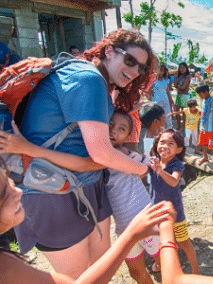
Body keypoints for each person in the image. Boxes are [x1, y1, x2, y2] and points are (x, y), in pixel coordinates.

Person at [12, 29, 157, 279]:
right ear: (108, 51)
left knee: (100, 267)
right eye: (130, 61)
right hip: (53, 190)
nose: (134, 72)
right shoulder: (88, 79)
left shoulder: (92, 77)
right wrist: (145, 169)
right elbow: (102, 153)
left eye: (141, 69)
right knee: (78, 276)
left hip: (83, 184)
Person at [0, 111, 161, 283]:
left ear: (129, 136)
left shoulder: (120, 155)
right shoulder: (100, 154)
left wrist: (29, 149)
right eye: (110, 125)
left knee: (161, 261)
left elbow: (84, 165)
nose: (18, 191)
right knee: (137, 271)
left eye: (121, 129)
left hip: (140, 218)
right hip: (125, 225)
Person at [0, 165, 174, 283]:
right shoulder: (4, 268)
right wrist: (131, 234)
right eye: (5, 195)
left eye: (10, 183)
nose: (19, 191)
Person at [147, 129, 200, 274]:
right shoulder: (153, 161)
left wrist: (159, 170)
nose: (165, 146)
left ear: (179, 149)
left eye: (171, 144)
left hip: (175, 214)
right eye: (162, 142)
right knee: (162, 241)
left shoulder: (177, 165)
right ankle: (163, 265)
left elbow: (174, 181)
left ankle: (196, 271)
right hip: (157, 211)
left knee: (183, 241)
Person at [195, 84, 213, 166]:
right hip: (203, 126)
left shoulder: (212, 101)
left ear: (206, 92)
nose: (200, 96)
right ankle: (205, 156)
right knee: (203, 142)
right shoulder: (204, 100)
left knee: (212, 143)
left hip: (210, 127)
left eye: (201, 94)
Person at [149, 64, 174, 129]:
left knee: (168, 119)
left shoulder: (166, 80)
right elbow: (149, 91)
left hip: (166, 102)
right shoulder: (153, 80)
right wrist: (150, 101)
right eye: (160, 70)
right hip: (156, 103)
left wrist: (171, 101)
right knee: (157, 119)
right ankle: (158, 134)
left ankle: (169, 132)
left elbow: (168, 92)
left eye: (163, 71)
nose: (161, 72)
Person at [174, 62, 191, 130]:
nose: (182, 69)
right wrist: (175, 78)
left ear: (186, 69)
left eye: (183, 67)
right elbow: (175, 85)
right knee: (176, 111)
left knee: (184, 112)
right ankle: (178, 125)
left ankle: (183, 126)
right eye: (180, 67)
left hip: (184, 96)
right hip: (179, 95)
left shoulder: (187, 77)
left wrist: (177, 88)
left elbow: (183, 87)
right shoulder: (179, 76)